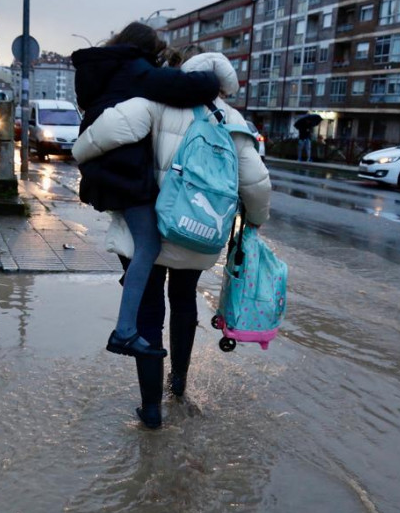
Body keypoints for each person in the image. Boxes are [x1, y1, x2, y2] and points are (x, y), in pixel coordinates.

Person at [73, 51, 272, 429]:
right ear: (224, 85)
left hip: (150, 227)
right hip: (197, 234)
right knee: (183, 302)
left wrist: (78, 153)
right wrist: (256, 224)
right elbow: (257, 184)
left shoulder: (153, 104)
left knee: (148, 311)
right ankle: (178, 384)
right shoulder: (232, 120)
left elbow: (101, 134)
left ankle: (151, 410)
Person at [72, 22, 222, 361]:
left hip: (107, 172)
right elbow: (184, 87)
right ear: (144, 49)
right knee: (149, 246)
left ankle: (131, 288)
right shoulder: (134, 69)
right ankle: (124, 332)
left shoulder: (105, 70)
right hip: (125, 175)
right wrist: (213, 77)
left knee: (139, 248)